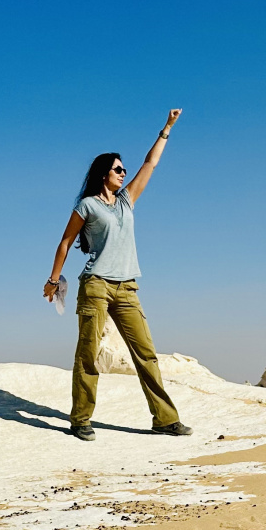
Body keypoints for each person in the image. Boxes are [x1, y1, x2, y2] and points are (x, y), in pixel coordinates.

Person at [44, 109, 193, 442]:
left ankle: (165, 419)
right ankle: (80, 419)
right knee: (88, 353)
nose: (124, 173)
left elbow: (150, 163)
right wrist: (53, 280)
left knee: (146, 353)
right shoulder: (87, 205)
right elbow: (65, 242)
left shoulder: (127, 200)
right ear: (103, 174)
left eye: (124, 169)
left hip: (127, 288)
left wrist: (167, 127)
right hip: (95, 285)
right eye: (118, 169)